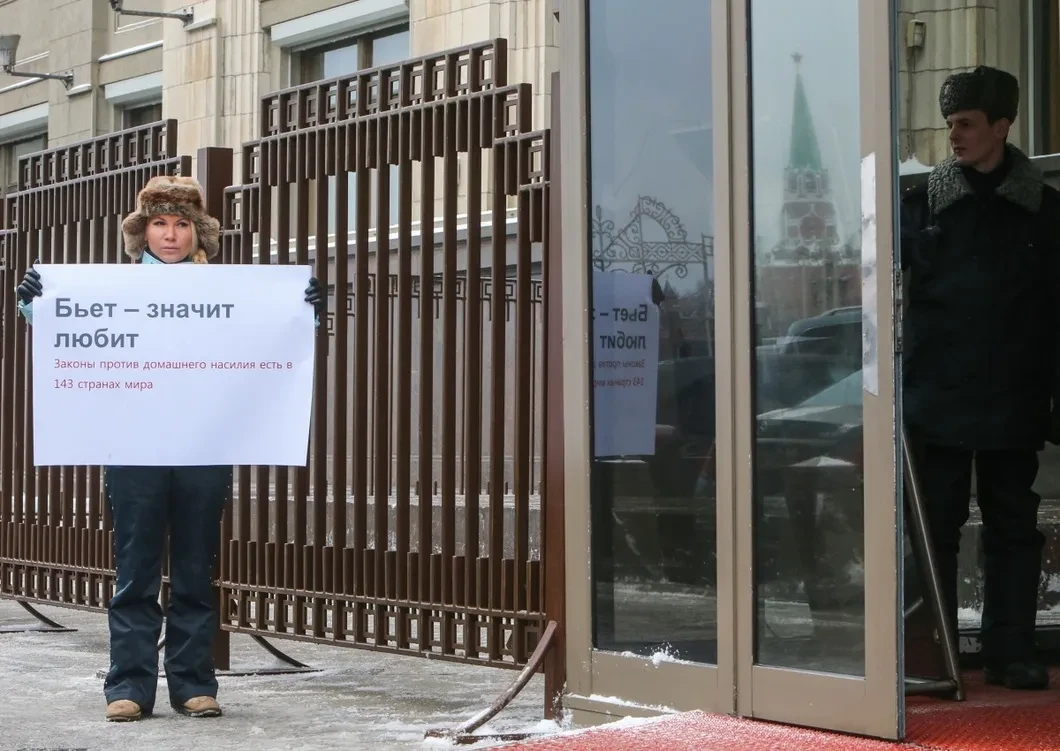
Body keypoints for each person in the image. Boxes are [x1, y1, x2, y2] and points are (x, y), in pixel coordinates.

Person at [13, 175, 325, 720]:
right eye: (159, 223)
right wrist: (37, 302)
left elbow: (272, 334)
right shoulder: (112, 290)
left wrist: (304, 309)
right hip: (133, 449)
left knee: (194, 571)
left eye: (182, 223)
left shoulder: (229, 292)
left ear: (198, 232)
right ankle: (128, 687)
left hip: (204, 448)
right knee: (135, 571)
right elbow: (67, 329)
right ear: (143, 232)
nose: (171, 234)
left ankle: (193, 684)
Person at [900, 66, 1060, 690]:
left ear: (1002, 126)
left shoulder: (1046, 213)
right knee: (933, 527)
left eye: (966, 123)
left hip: (1014, 394)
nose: (954, 135)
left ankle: (1010, 651)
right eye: (950, 124)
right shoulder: (919, 208)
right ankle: (931, 653)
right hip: (937, 395)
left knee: (1013, 527)